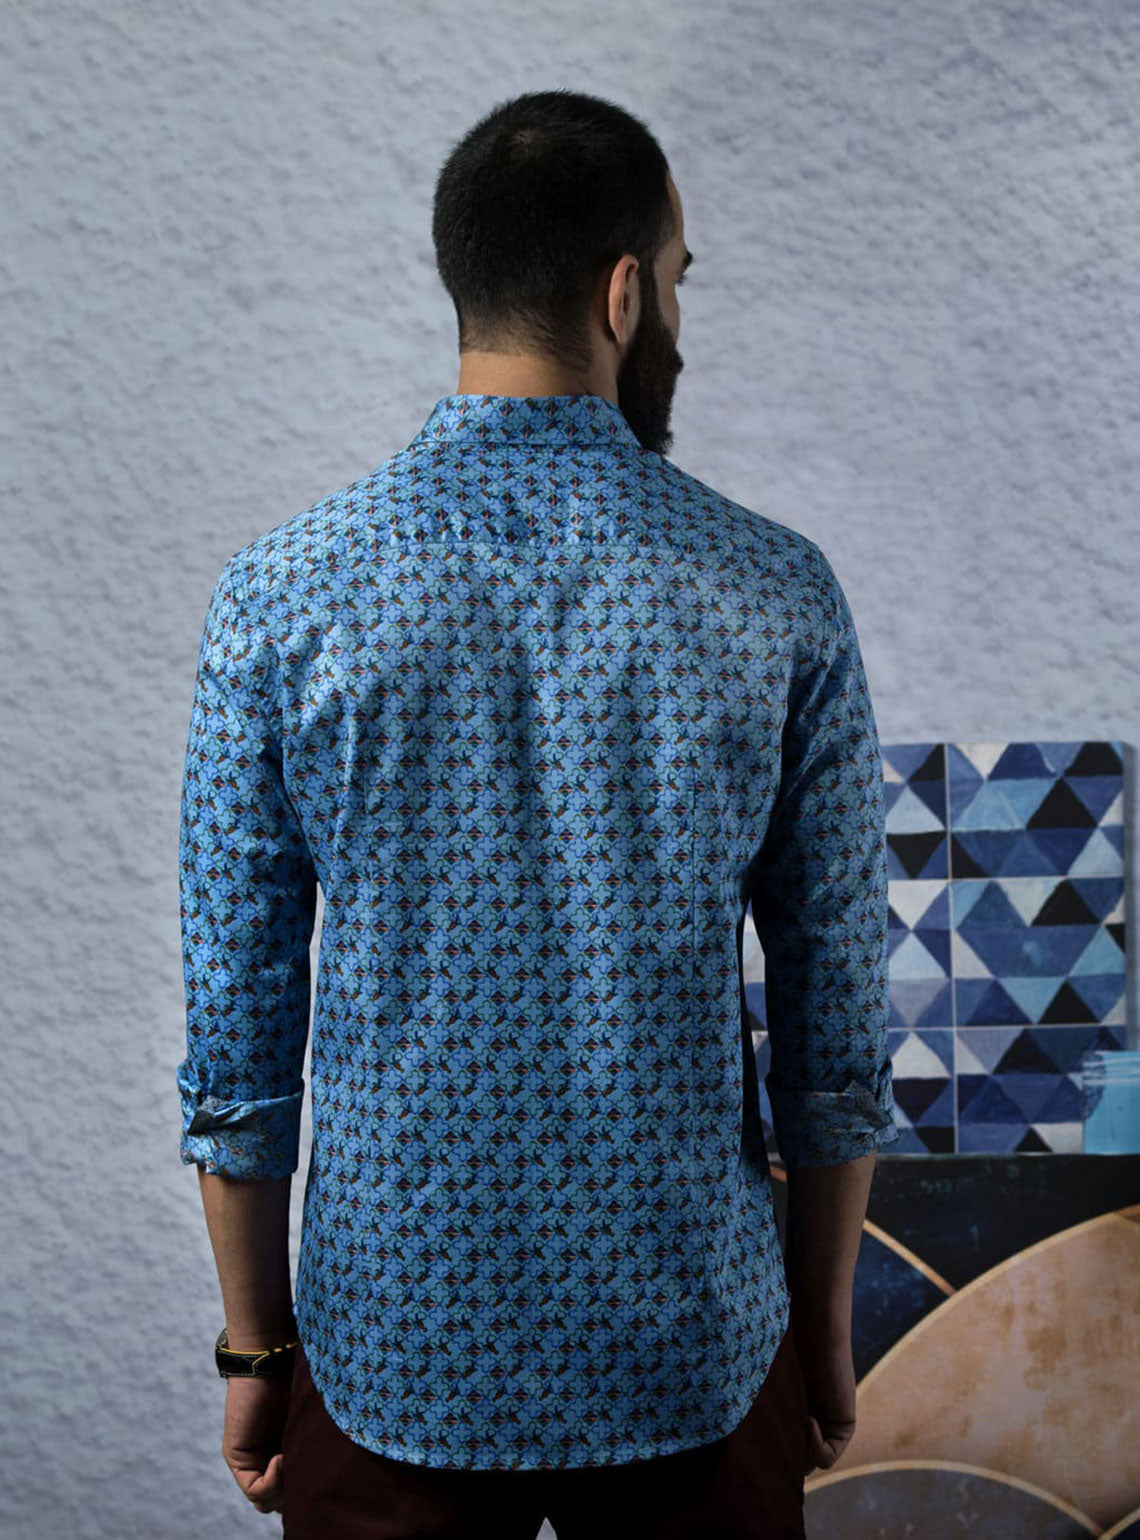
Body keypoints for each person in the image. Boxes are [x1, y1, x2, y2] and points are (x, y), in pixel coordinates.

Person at [177, 88, 900, 1540]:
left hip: (390, 1354)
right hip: (699, 1349)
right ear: (624, 294)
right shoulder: (774, 592)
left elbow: (238, 1042)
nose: (676, 315)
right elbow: (837, 1023)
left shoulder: (280, 596)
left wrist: (256, 1351)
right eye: (679, 279)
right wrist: (823, 1337)